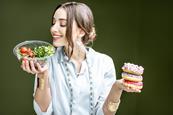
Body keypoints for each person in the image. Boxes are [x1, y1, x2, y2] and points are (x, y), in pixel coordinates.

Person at [21, 2, 142, 115]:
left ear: (81, 31)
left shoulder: (104, 63)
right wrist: (43, 77)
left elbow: (106, 113)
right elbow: (43, 111)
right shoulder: (47, 61)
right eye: (53, 23)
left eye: (62, 24)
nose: (53, 29)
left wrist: (117, 87)